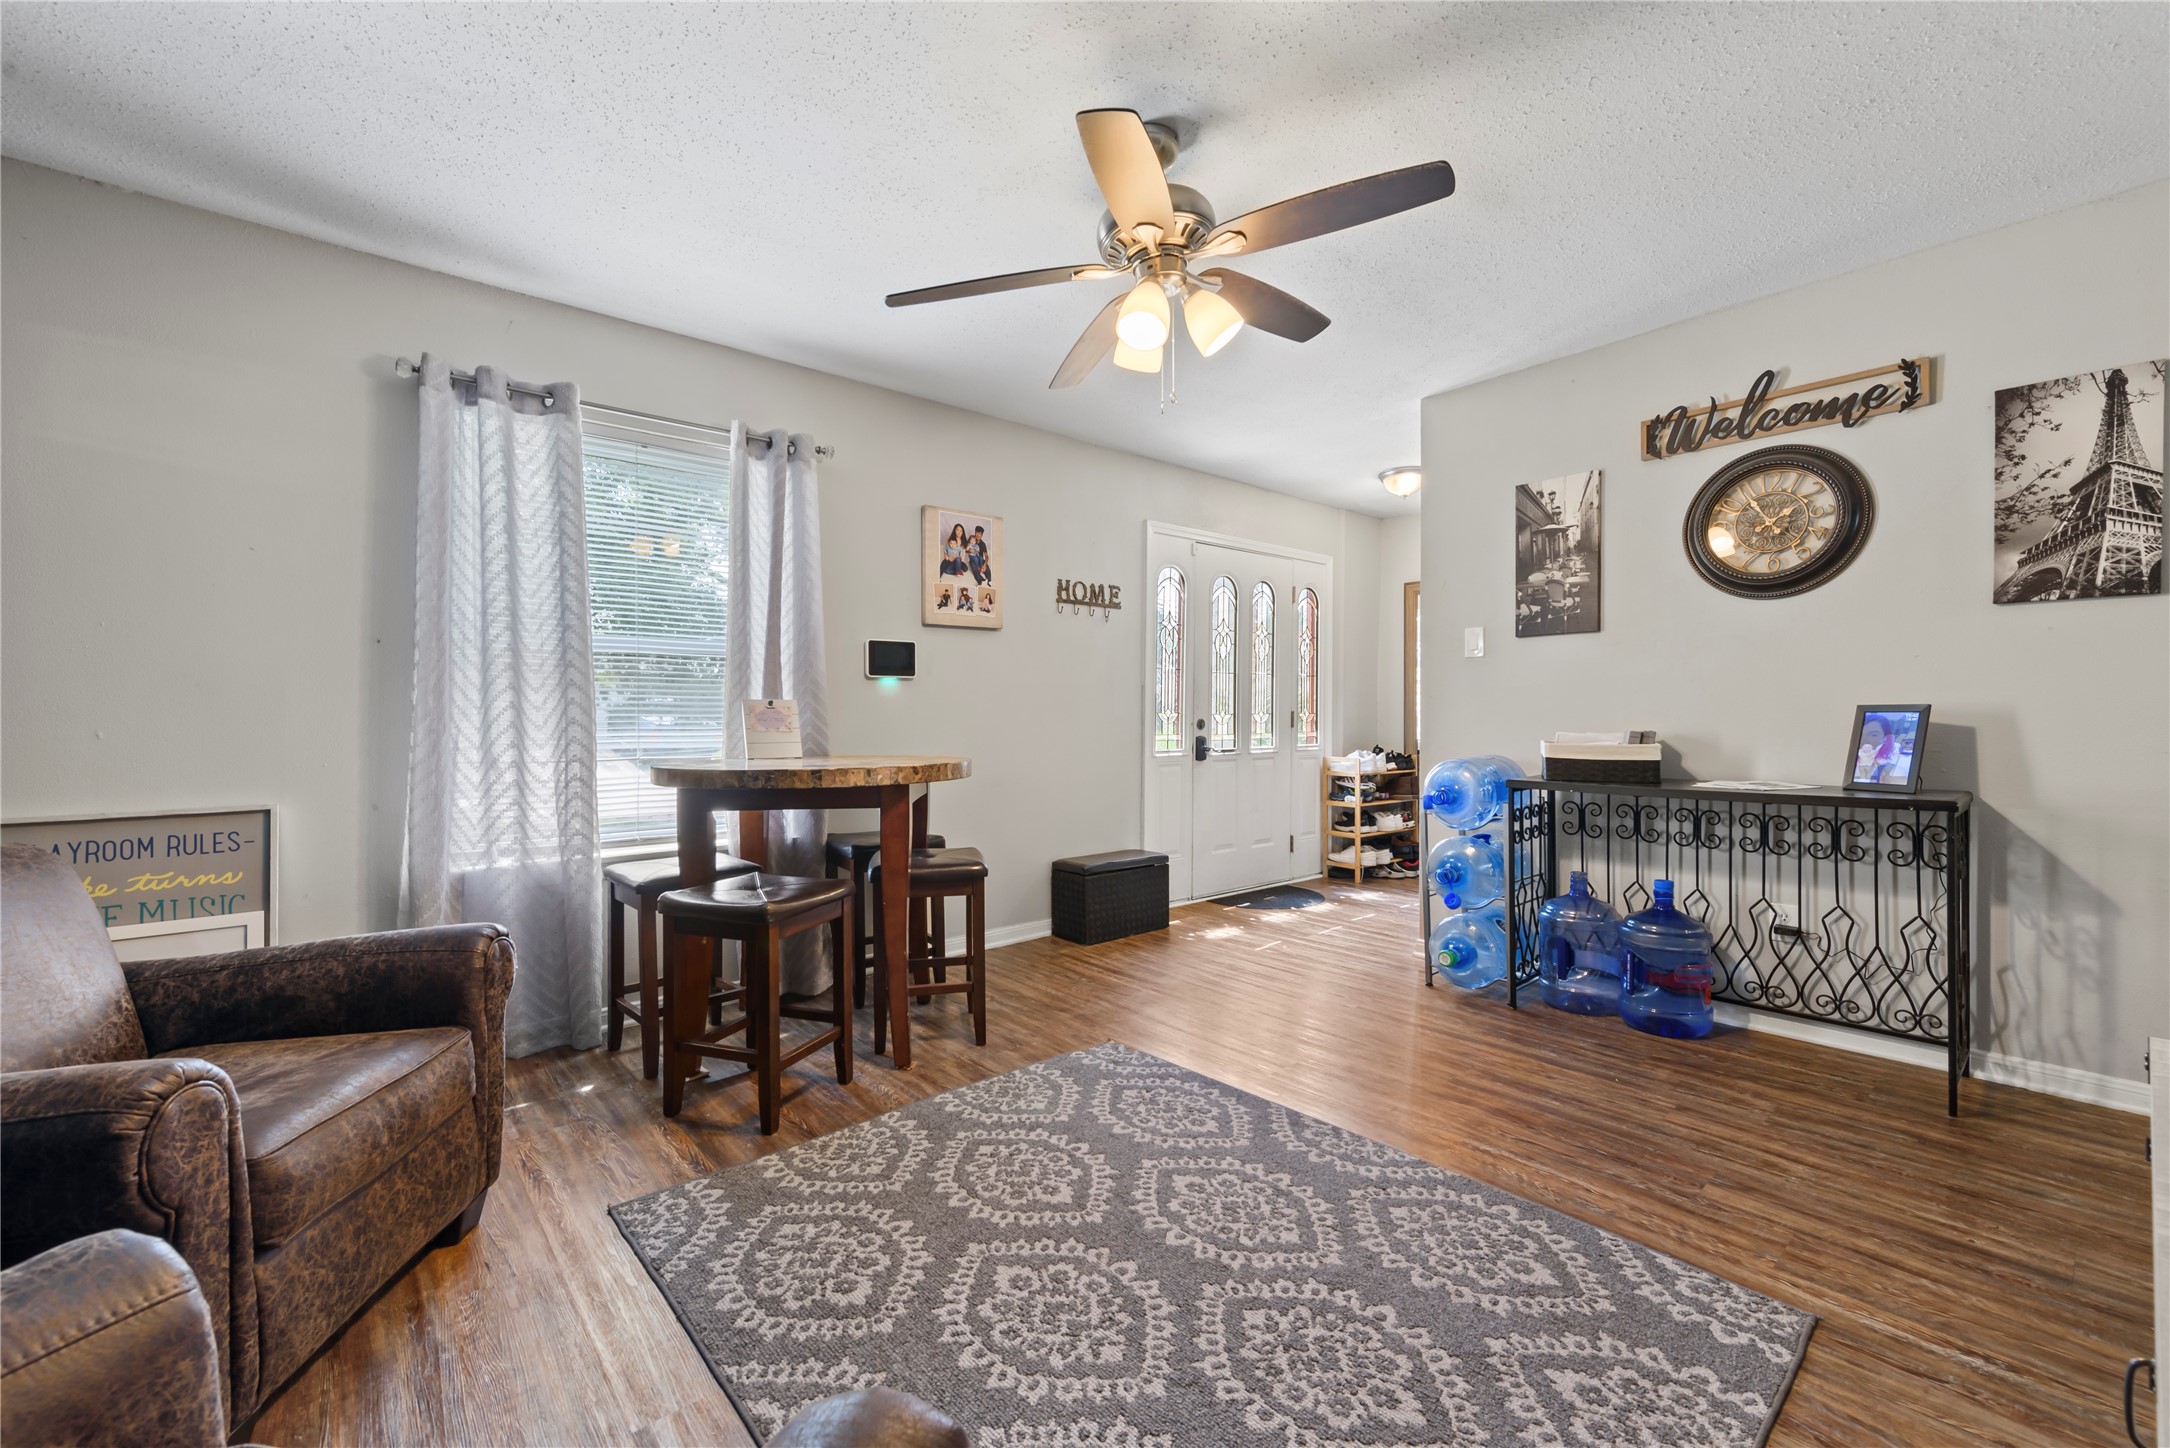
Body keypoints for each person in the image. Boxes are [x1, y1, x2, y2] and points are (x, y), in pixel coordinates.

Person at [1856, 718, 1897, 783]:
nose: (1865, 740)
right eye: (1862, 734)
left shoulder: (1889, 765)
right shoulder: (1855, 760)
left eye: (1874, 735)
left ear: (1885, 738)